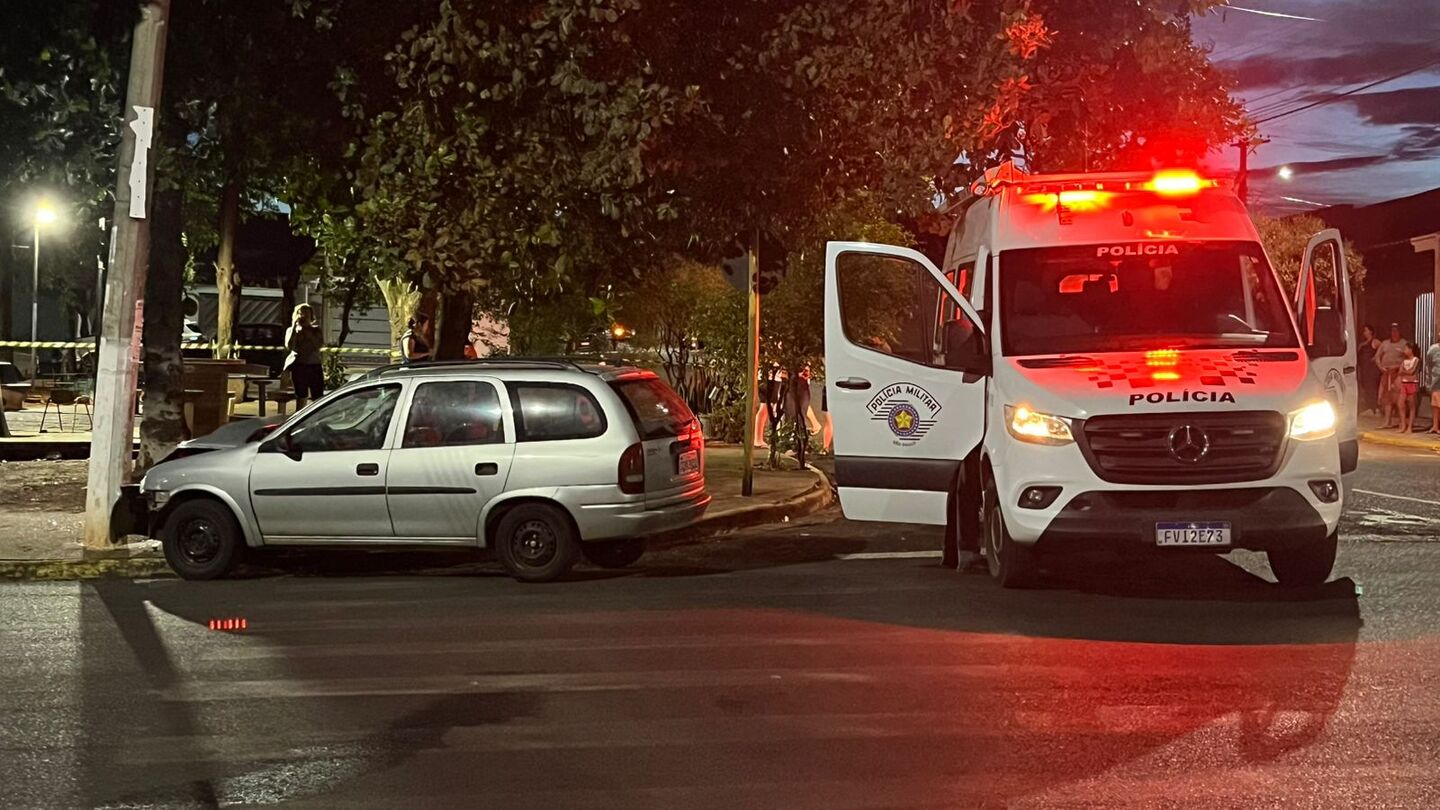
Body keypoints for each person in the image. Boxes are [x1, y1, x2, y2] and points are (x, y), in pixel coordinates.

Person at [283, 303, 325, 409]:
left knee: (317, 395)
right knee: (301, 395)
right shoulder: (291, 330)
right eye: (301, 313)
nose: (303, 316)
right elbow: (289, 346)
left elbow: (318, 345)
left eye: (307, 313)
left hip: (314, 365)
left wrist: (307, 331)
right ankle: (300, 414)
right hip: (299, 365)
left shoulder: (316, 330)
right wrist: (294, 327)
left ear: (311, 315)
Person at [1376, 323, 1407, 429]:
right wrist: (1381, 367)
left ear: (1399, 332)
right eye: (1392, 331)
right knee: (1387, 398)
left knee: (1399, 397)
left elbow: (1408, 358)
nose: (1394, 333)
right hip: (1386, 373)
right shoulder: (1384, 343)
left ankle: (1401, 422)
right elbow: (1377, 357)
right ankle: (1387, 421)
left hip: (1398, 374)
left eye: (1396, 331)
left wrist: (1399, 367)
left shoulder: (1404, 344)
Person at [1357, 324, 1381, 415]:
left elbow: (1382, 348)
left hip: (1372, 369)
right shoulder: (1362, 344)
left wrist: (1376, 357)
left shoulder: (1375, 341)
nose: (1364, 333)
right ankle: (1369, 406)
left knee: (1372, 387)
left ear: (1371, 331)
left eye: (1366, 330)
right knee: (1366, 387)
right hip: (1364, 368)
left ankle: (1374, 407)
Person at [1399, 342, 1421, 433]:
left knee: (1412, 405)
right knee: (1401, 404)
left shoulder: (1416, 360)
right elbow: (1400, 371)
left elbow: (1412, 371)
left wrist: (1404, 372)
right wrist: (1405, 372)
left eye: (1406, 349)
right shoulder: (1404, 361)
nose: (1404, 351)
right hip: (1404, 383)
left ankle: (1410, 427)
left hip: (1412, 383)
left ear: (1411, 350)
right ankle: (1403, 424)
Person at [1428, 332, 1440, 435]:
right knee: (1435, 404)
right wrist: (1428, 382)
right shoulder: (1433, 349)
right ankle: (1435, 426)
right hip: (1436, 380)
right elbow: (1429, 365)